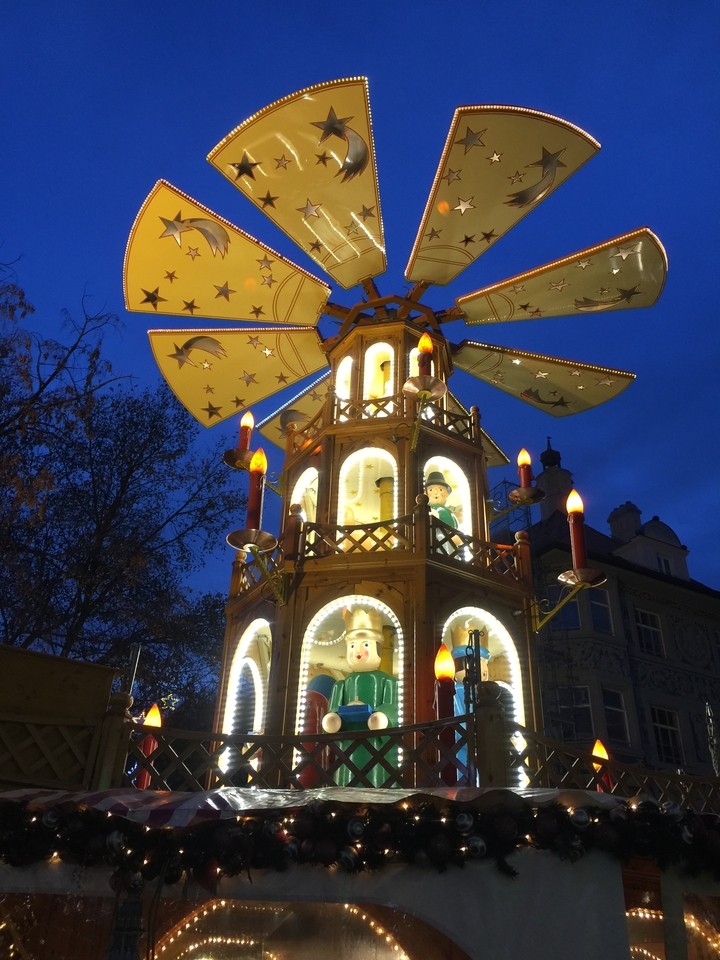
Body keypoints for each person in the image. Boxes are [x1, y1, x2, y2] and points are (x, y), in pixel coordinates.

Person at [322, 607, 399, 786]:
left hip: (377, 745)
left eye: (365, 645)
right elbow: (333, 711)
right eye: (352, 646)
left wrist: (382, 716)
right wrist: (333, 718)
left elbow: (392, 707)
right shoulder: (341, 684)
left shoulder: (389, 682)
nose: (357, 652)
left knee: (378, 776)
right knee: (347, 775)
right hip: (348, 747)